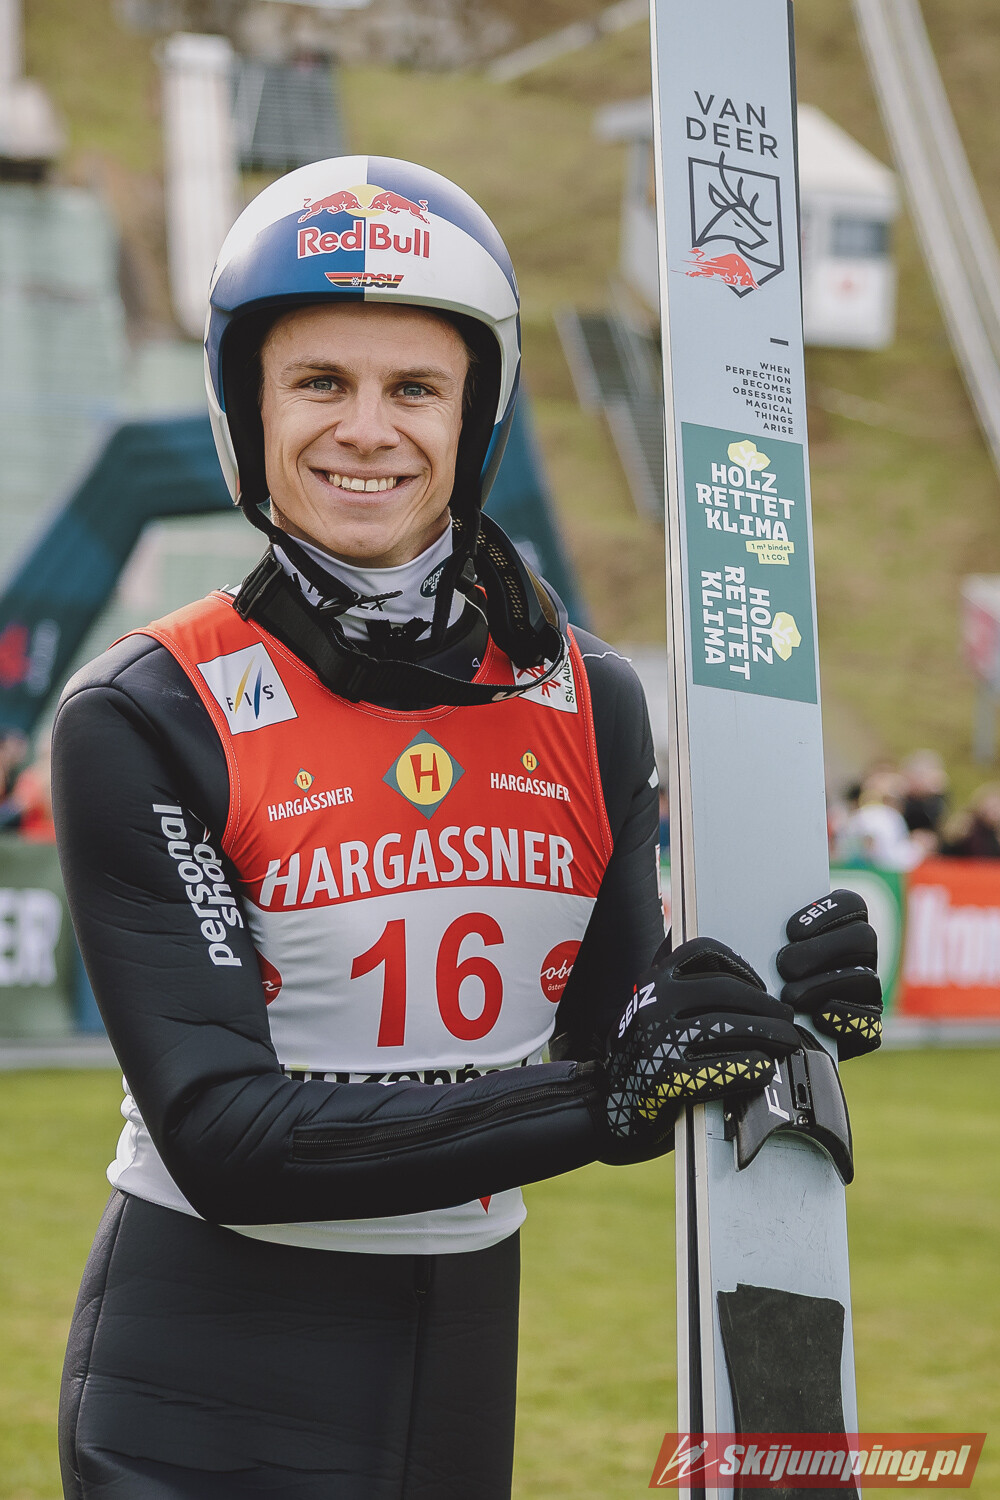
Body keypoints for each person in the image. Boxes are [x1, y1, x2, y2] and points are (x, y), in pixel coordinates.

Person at [51, 158, 883, 1500]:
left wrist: (775, 1001)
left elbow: (622, 1036)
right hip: (202, 1371)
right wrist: (610, 1093)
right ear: (247, 408)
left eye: (414, 389)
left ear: (474, 415)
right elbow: (224, 1138)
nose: (365, 430)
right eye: (319, 382)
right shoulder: (149, 708)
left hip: (463, 1351)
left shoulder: (587, 700)